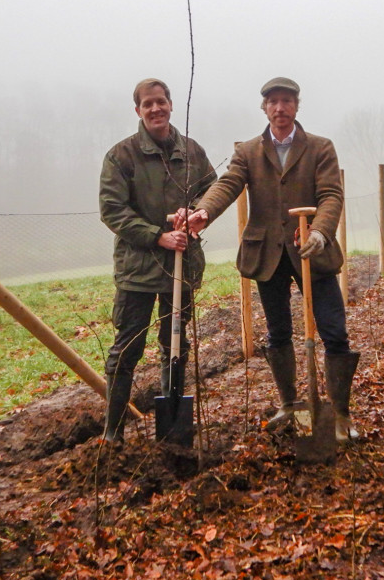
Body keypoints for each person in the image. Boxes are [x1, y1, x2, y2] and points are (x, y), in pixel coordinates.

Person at [183, 77, 360, 443]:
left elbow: (330, 194)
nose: (280, 108)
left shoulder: (320, 148)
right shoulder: (248, 151)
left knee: (334, 331)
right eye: (273, 102)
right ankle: (289, 404)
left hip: (313, 250)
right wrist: (203, 212)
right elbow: (228, 184)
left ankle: (340, 414)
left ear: (297, 106)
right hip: (268, 255)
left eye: (287, 101)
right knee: (278, 331)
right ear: (264, 107)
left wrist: (320, 233)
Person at [97, 78, 216, 443]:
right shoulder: (122, 156)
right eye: (147, 103)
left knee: (176, 344)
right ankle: (112, 433)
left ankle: (172, 428)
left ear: (170, 105)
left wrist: (196, 214)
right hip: (138, 270)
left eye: (161, 101)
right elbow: (112, 210)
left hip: (182, 268)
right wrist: (156, 235)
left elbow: (213, 189)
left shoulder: (191, 152)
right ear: (138, 110)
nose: (155, 109)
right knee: (127, 349)